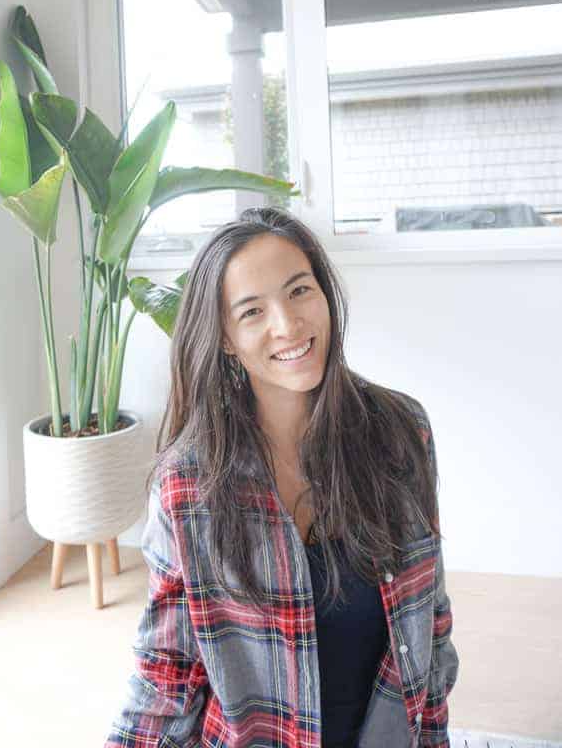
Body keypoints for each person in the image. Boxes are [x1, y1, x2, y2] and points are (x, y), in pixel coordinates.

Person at [104, 207, 459, 748]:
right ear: (225, 338)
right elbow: (166, 672)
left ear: (325, 293)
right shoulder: (190, 483)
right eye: (252, 311)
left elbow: (430, 628)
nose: (288, 325)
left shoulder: (401, 433)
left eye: (299, 291)